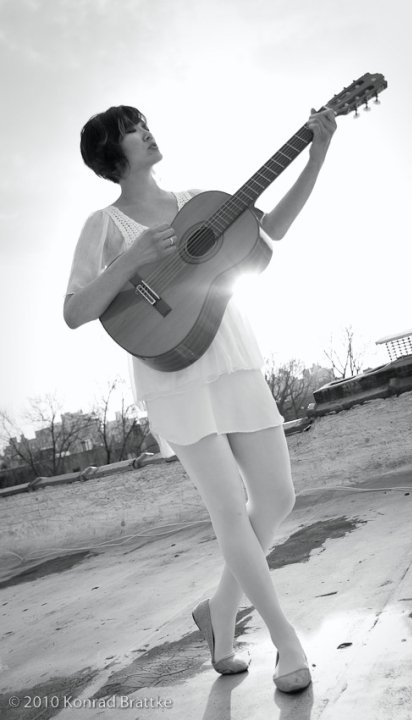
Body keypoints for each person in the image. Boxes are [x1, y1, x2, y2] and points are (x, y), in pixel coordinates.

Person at [64, 103, 336, 693]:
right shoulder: (104, 223)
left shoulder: (197, 202)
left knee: (277, 496)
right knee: (229, 507)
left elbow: (272, 229)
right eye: (131, 130)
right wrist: (131, 259)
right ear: (111, 152)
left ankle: (218, 611)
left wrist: (316, 155)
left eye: (143, 123)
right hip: (171, 372)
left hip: (232, 353)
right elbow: (75, 310)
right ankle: (285, 642)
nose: (146, 131)